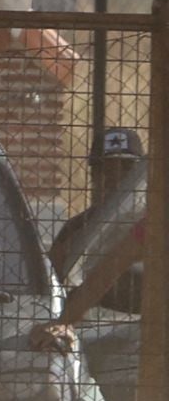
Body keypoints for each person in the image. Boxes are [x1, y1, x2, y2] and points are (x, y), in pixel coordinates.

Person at [48, 127, 143, 315]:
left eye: (126, 171)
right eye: (107, 171)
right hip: (91, 327)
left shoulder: (155, 226)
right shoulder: (76, 230)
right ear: (94, 177)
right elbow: (49, 284)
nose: (116, 180)